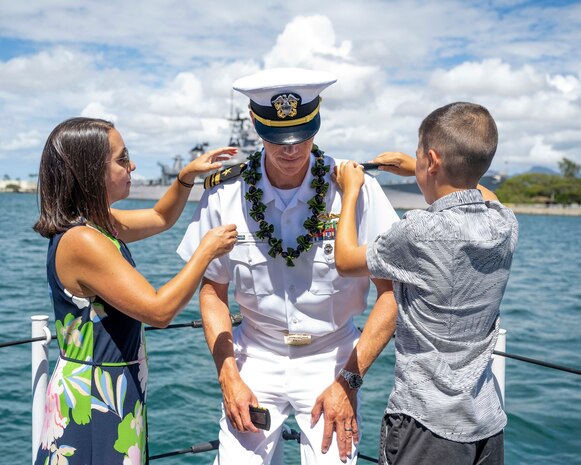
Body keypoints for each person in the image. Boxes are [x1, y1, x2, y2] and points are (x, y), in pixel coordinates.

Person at [177, 67, 400, 464]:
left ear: (318, 121)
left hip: (332, 359)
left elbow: (391, 294)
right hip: (253, 357)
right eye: (277, 137)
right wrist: (228, 375)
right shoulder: (225, 193)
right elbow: (212, 289)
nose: (291, 149)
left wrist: (349, 379)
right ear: (254, 123)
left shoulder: (356, 190)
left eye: (302, 135)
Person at [33, 117, 238, 465]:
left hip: (113, 384)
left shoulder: (98, 225)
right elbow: (159, 311)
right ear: (91, 170)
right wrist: (206, 250)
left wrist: (185, 177)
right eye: (122, 158)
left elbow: (161, 217)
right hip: (93, 395)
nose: (133, 165)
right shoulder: (83, 239)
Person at [333, 102, 519, 465]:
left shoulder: (418, 232)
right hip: (486, 422)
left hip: (426, 424)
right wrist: (416, 165)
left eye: (419, 156)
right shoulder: (505, 225)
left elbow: (344, 260)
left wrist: (350, 190)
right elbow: (486, 198)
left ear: (432, 161)